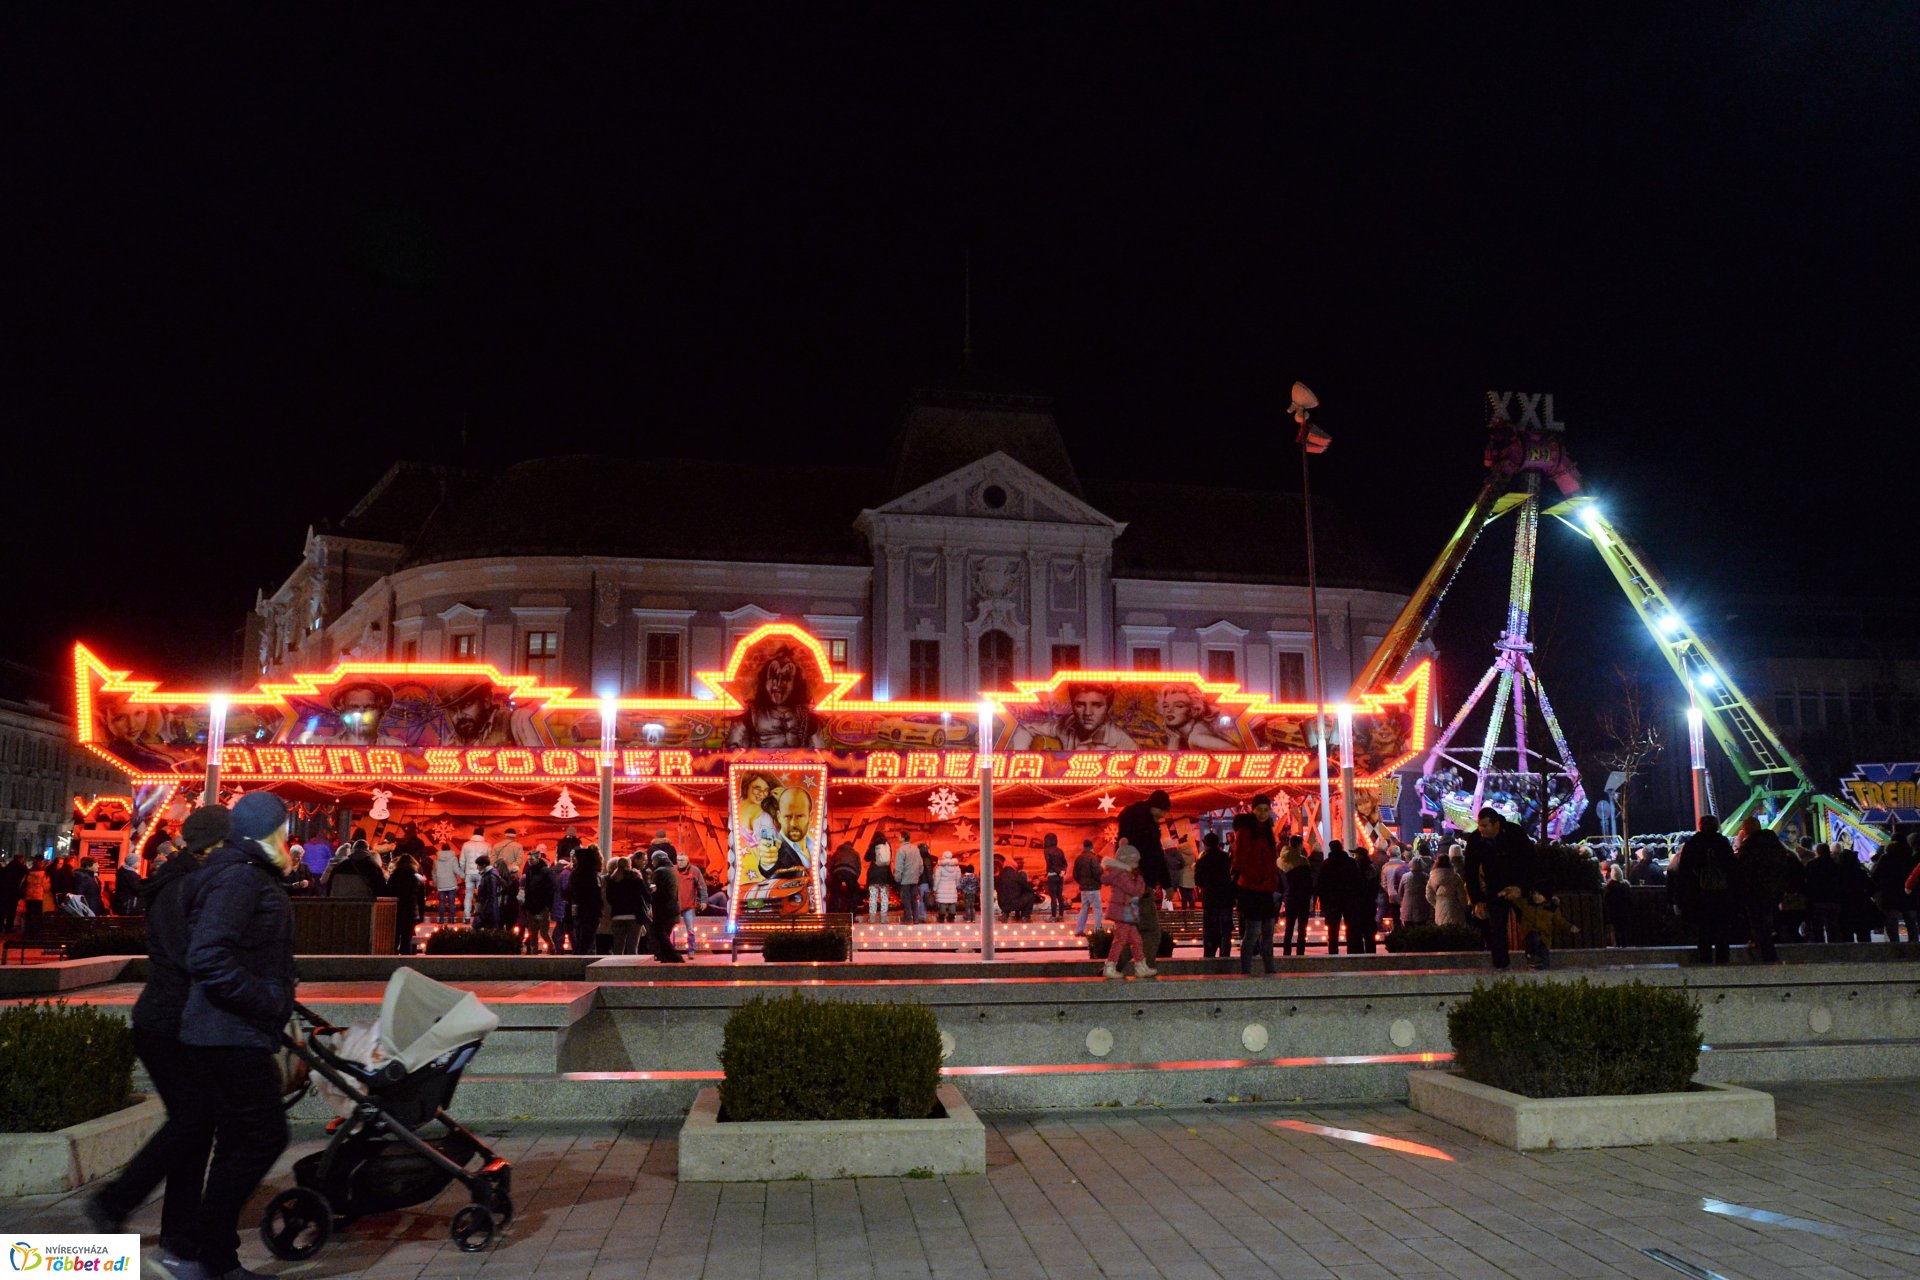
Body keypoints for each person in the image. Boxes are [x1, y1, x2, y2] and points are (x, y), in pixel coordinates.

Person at [86, 805, 232, 1276]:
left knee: (196, 1119)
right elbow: (191, 955)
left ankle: (178, 1228)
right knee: (194, 1117)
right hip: (172, 1018)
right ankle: (116, 1202)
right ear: (213, 845)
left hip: (170, 1015)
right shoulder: (185, 886)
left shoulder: (179, 881)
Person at [177, 791, 298, 1280]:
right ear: (268, 835)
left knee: (234, 1141)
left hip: (225, 1029)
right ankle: (201, 1245)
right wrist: (265, 999)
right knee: (263, 1136)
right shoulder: (242, 879)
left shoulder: (243, 874)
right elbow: (207, 955)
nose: (290, 840)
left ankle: (215, 1257)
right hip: (230, 1032)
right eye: (285, 831)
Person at [1462, 806, 1547, 971]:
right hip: (1495, 889)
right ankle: (1501, 964)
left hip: (1518, 886)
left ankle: (1534, 956)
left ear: (1496, 824)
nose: (1481, 830)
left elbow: (1531, 862)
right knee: (1496, 927)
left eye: (1485, 826)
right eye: (1479, 826)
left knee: (1530, 922)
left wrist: (1522, 888)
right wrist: (1477, 899)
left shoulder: (1514, 833)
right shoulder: (1476, 840)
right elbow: (1470, 871)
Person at [1671, 814, 1740, 964]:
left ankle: (1705, 962)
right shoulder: (1722, 843)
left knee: (1703, 932)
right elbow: (1733, 870)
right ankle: (1723, 961)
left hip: (1699, 897)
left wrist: (1680, 899)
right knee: (1722, 932)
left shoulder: (1693, 844)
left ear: (1700, 826)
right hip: (1721, 895)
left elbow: (1683, 874)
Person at [1116, 790, 1173, 964]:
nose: (1163, 816)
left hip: (1127, 880)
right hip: (1141, 882)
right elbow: (1155, 855)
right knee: (1151, 931)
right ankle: (1144, 966)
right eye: (1163, 811)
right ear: (1158, 808)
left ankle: (1114, 965)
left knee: (1132, 928)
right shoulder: (1147, 827)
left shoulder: (1131, 822)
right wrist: (1166, 883)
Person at [1010, 681, 1139, 750]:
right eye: (1080, 705)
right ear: (1072, 705)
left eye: (1097, 705)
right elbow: (1026, 728)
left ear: (1109, 708)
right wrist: (1021, 753)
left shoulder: (1125, 744)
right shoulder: (1067, 725)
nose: (1088, 713)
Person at [1734, 816, 1790, 963]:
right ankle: (1770, 953)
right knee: (1769, 923)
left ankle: (1768, 956)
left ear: (1745, 830)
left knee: (1760, 926)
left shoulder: (1749, 848)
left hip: (1755, 894)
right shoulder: (1775, 846)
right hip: (1773, 892)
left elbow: (1743, 872)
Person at [1231, 801, 1279, 974]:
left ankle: (1270, 969)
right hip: (1252, 888)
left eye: (1266, 810)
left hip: (1266, 888)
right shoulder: (1246, 831)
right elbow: (1240, 860)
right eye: (1260, 809)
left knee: (1268, 931)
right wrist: (1257, 878)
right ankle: (1246, 971)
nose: (1263, 813)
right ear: (1253, 810)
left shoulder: (1267, 831)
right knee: (1253, 932)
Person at [1099, 842, 1152, 979]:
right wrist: (1140, 879)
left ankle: (1140, 966)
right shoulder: (1121, 874)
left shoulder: (1122, 873)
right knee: (1120, 940)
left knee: (1136, 940)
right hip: (1123, 912)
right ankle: (1110, 966)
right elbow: (1134, 890)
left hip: (1126, 912)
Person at [1871, 833, 1920, 943]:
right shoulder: (1910, 858)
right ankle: (1913, 947)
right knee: (1911, 924)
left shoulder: (1885, 859)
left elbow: (1875, 876)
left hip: (1890, 896)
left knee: (1892, 925)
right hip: (1908, 895)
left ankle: (1896, 948)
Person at [1195, 829, 1235, 960]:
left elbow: (1198, 881)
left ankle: (1209, 955)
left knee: (1210, 928)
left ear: (1205, 843)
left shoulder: (1202, 860)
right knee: (1226, 929)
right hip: (1225, 897)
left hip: (1210, 898)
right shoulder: (1225, 857)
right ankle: (1225, 954)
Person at [1315, 841, 1359, 954]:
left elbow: (1321, 884)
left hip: (1332, 901)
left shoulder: (1327, 864)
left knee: (1333, 930)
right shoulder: (1351, 862)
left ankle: (1333, 952)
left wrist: (1323, 903)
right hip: (1349, 899)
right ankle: (1352, 951)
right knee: (1351, 928)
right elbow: (1357, 881)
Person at [1278, 833, 1315, 956]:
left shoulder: (1281, 861)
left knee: (1289, 927)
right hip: (1302, 898)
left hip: (1289, 897)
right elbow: (1309, 881)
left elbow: (1279, 882)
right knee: (1302, 928)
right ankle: (1300, 952)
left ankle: (1286, 952)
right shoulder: (1303, 862)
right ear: (1299, 845)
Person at [1341, 842, 1378, 954]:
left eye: (1356, 855)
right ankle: (1371, 953)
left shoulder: (1357, 869)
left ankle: (1359, 953)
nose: (1354, 857)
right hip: (1369, 904)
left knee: (1358, 931)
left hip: (1359, 904)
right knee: (1369, 932)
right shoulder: (1371, 868)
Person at [648, 848, 685, 962]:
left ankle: (675, 956)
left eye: (653, 860)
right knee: (665, 934)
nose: (652, 863)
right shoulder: (672, 870)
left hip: (663, 909)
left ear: (657, 860)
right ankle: (665, 957)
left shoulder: (660, 871)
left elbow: (655, 889)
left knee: (659, 933)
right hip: (673, 908)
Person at [605, 857, 647, 955]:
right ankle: (632, 969)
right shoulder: (636, 877)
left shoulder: (613, 879)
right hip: (634, 917)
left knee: (618, 948)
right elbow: (646, 895)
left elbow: (609, 898)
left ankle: (617, 968)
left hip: (617, 916)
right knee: (633, 948)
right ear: (629, 865)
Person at [568, 844, 604, 955]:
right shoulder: (591, 874)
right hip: (591, 911)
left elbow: (571, 892)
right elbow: (596, 893)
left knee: (581, 937)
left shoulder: (575, 873)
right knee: (587, 938)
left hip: (580, 909)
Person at [1804, 842, 1844, 944]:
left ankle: (1821, 949)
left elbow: (1807, 882)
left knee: (1818, 928)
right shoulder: (1836, 865)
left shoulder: (1811, 864)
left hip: (1817, 900)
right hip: (1834, 899)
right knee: (1833, 927)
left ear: (1817, 852)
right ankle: (1834, 949)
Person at [389, 849, 424, 954]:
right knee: (406, 940)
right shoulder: (417, 878)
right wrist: (421, 915)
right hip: (410, 912)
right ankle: (405, 961)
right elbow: (421, 899)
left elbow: (389, 893)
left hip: (396, 911)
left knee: (394, 940)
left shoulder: (394, 877)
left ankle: (392, 960)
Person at [522, 850, 557, 954]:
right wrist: (527, 904)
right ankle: (534, 952)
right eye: (528, 860)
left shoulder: (546, 871)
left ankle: (551, 948)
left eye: (532, 859)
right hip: (531, 907)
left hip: (542, 907)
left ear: (538, 858)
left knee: (543, 932)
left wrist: (547, 905)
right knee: (532, 933)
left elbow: (550, 889)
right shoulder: (530, 871)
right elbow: (528, 889)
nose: (530, 862)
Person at [459, 826, 492, 922]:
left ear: (473, 833)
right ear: (483, 834)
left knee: (468, 896)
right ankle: (480, 917)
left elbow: (462, 861)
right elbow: (490, 861)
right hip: (482, 874)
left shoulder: (466, 844)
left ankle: (467, 917)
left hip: (469, 873)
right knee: (481, 896)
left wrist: (463, 873)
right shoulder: (487, 845)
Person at [1072, 839, 1104, 935]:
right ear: (1092, 847)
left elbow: (1075, 874)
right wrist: (1100, 881)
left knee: (1084, 908)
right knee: (1097, 909)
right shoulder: (1093, 858)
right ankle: (1098, 931)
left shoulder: (1079, 858)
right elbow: (1097, 872)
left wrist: (1081, 882)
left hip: (1083, 888)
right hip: (1093, 888)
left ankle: (1079, 930)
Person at [1426, 855, 1468, 927]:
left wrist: (1436, 904)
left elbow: (1429, 895)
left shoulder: (1432, 878)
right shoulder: (1455, 877)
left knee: (1443, 932)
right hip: (1455, 908)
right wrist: (1465, 908)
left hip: (1440, 908)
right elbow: (1462, 896)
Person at [675, 853, 706, 951]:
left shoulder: (694, 871)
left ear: (687, 861)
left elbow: (702, 887)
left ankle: (691, 950)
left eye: (682, 860)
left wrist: (704, 901)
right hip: (675, 905)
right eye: (678, 860)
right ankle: (669, 950)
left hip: (689, 905)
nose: (679, 862)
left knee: (690, 930)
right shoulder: (673, 870)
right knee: (669, 930)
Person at [893, 835, 924, 925]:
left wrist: (897, 878)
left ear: (903, 838)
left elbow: (899, 866)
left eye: (899, 836)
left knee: (906, 899)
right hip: (914, 879)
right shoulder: (916, 849)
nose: (898, 838)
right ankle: (916, 919)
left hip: (905, 879)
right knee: (914, 899)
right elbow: (920, 864)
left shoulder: (901, 850)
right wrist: (918, 874)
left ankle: (908, 919)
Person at [864, 829, 893, 922]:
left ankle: (872, 918)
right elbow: (888, 860)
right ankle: (884, 918)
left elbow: (866, 858)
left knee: (873, 896)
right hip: (884, 874)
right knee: (884, 897)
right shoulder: (887, 846)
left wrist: (871, 847)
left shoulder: (874, 846)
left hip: (874, 874)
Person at [1602, 863, 1633, 946]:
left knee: (1616, 929)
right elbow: (1629, 900)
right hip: (1624, 912)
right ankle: (1624, 944)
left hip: (1614, 912)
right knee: (1623, 929)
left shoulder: (1609, 887)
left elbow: (1606, 900)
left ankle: (1618, 945)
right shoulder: (1625, 886)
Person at [1399, 854, 1433, 928]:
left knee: (1408, 930)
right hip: (1422, 908)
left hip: (1407, 909)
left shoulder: (1405, 877)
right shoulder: (1426, 877)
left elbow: (1400, 893)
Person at [431, 840, 461, 922]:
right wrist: (458, 881)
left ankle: (441, 919)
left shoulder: (436, 860)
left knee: (442, 902)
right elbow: (456, 870)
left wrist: (435, 883)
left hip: (441, 883)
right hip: (451, 883)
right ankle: (451, 919)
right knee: (452, 902)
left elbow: (434, 873)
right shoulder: (454, 858)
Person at [472, 855, 503, 930]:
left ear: (484, 865)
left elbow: (491, 897)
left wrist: (483, 915)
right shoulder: (487, 875)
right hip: (487, 912)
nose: (477, 867)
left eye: (478, 865)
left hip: (489, 914)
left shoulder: (490, 877)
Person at [1041, 834, 1068, 920]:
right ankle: (1061, 915)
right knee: (1059, 896)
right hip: (1060, 876)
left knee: (1053, 896)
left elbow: (1050, 864)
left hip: (1052, 875)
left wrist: (1058, 871)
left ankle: (1053, 916)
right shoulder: (1060, 851)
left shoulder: (1046, 850)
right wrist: (1063, 872)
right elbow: (1065, 863)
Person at [0, 852, 26, 932]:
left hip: (4, 892)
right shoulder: (22, 868)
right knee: (11, 911)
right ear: (21, 859)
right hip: (14, 892)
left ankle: (1, 927)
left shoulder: (8, 867)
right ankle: (9, 927)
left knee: (3, 910)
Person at [932, 849, 961, 922]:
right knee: (952, 902)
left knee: (943, 902)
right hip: (952, 887)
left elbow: (937, 878)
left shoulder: (940, 867)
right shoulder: (956, 867)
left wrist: (935, 888)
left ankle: (941, 918)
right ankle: (951, 917)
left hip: (942, 887)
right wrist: (957, 885)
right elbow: (958, 877)